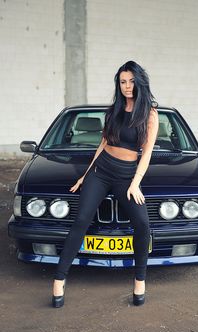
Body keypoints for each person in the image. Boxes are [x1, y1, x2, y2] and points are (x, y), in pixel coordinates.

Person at [52, 60, 159, 308]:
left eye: (131, 81)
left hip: (126, 176)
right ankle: (59, 280)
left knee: (143, 224)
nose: (127, 86)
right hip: (101, 172)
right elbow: (102, 145)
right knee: (81, 221)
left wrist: (135, 183)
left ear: (140, 81)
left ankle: (139, 280)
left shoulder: (150, 113)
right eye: (123, 82)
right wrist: (85, 175)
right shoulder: (113, 110)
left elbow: (148, 153)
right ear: (118, 84)